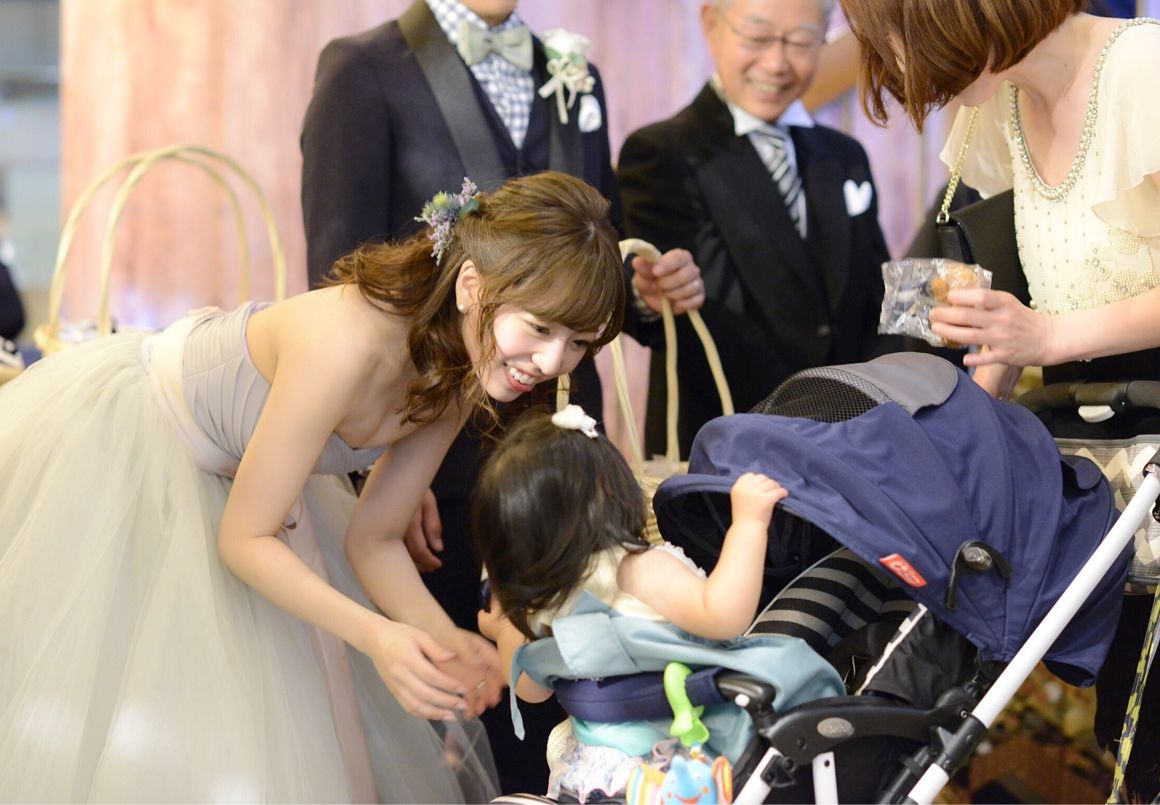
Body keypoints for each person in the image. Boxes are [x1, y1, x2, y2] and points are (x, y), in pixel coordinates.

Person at [0, 171, 626, 802]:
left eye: (578, 342)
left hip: (257, 491)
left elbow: (376, 537)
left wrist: (443, 642)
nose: (552, 362)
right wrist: (378, 636)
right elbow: (244, 539)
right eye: (539, 328)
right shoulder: (344, 344)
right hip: (138, 448)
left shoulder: (459, 368)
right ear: (471, 286)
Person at [300, 0, 703, 791]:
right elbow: (338, 272)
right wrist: (379, 454)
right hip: (434, 454)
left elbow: (587, 257)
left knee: (568, 695)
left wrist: (641, 292)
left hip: (561, 457)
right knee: (455, 706)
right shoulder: (363, 69)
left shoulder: (574, 74)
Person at [838, 0, 1160, 797]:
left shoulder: (1141, 73)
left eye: (907, 41)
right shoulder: (1001, 105)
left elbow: (1037, 330)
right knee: (1129, 735)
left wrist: (1048, 335)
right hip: (1115, 486)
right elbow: (1010, 321)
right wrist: (967, 450)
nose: (907, 72)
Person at [471, 405, 844, 801]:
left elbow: (528, 688)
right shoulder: (637, 570)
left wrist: (504, 624)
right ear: (615, 494)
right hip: (679, 768)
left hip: (596, 775)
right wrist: (748, 525)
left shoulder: (543, 604)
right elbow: (724, 616)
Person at [617, 0, 895, 458]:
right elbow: (705, 323)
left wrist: (874, 413)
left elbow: (873, 298)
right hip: (729, 444)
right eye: (757, 38)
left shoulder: (843, 156)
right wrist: (819, 419)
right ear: (712, 25)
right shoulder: (664, 155)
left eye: (800, 42)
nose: (776, 63)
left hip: (853, 445)